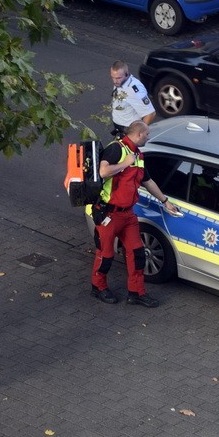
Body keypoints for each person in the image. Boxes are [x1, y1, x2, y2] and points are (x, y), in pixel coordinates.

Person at [90, 120, 179, 308]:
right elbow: (103, 171)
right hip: (109, 213)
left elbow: (148, 181)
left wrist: (165, 201)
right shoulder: (117, 149)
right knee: (105, 255)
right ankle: (98, 287)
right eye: (147, 134)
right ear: (138, 134)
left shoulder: (138, 155)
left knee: (137, 253)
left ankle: (136, 293)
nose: (148, 137)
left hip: (128, 215)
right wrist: (124, 163)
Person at [110, 60, 155, 137]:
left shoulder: (134, 90)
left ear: (127, 74)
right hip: (119, 128)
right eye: (112, 77)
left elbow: (150, 113)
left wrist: (137, 135)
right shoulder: (120, 82)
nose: (115, 81)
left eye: (118, 78)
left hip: (128, 130)